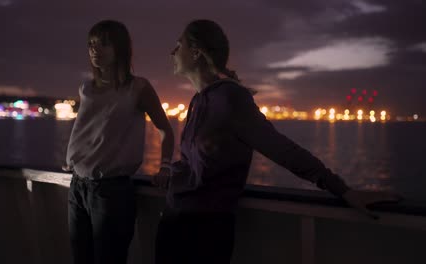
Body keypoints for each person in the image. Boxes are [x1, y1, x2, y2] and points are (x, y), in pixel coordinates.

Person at [155, 19, 401, 264]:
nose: (172, 52)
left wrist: (341, 189)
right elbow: (194, 165)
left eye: (179, 45)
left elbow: (281, 149)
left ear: (196, 52)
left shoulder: (231, 99)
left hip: (205, 231)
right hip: (175, 221)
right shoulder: (198, 101)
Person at [64, 20, 174, 264]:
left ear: (120, 49)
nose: (95, 50)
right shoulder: (86, 88)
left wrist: (165, 166)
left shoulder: (137, 88)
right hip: (78, 186)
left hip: (111, 191)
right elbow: (89, 129)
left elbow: (165, 129)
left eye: (104, 44)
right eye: (91, 44)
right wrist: (76, 157)